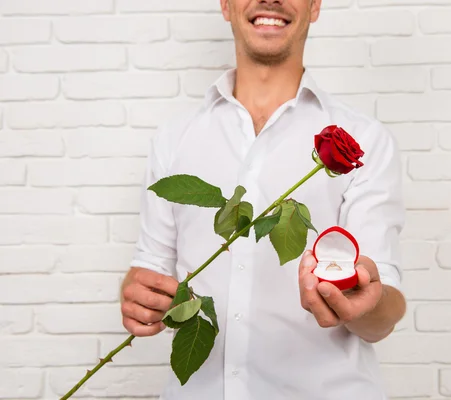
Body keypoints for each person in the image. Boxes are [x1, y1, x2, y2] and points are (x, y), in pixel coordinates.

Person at [119, 0, 407, 399]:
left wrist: (367, 305)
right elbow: (148, 272)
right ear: (225, 5)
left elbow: (382, 314)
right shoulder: (173, 141)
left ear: (315, 6)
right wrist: (139, 299)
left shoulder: (368, 141)